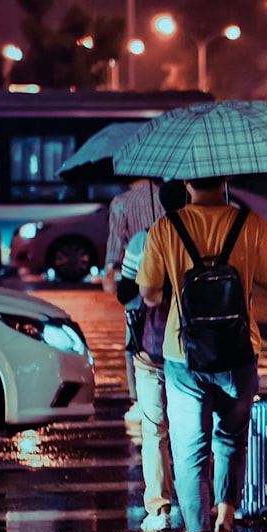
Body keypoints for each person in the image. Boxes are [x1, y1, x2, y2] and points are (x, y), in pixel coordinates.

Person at [137, 176, 267, 532]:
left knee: (189, 451)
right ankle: (226, 530)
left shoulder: (167, 227)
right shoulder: (252, 224)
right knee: (231, 441)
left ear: (186, 181)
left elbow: (149, 292)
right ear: (226, 179)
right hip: (239, 351)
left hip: (184, 355)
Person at [114, 181, 187, 532]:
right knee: (195, 431)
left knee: (155, 429)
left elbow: (125, 291)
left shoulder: (145, 238)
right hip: (195, 349)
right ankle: (198, 507)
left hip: (153, 346)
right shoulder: (207, 235)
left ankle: (158, 507)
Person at [104, 179, 169, 424]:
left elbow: (114, 248)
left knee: (136, 343)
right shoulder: (176, 194)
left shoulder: (122, 203)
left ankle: (139, 399)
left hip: (138, 281)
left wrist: (111, 272)